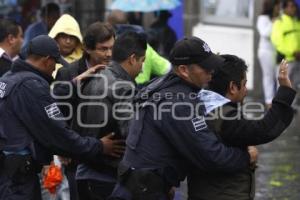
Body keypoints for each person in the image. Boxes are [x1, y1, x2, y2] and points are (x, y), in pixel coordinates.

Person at [109, 37, 255, 200]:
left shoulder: (165, 84)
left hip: (138, 183)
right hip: (143, 189)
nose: (211, 72)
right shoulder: (180, 103)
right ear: (184, 70)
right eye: (206, 68)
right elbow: (211, 155)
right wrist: (246, 157)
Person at [0, 35, 123, 200]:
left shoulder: (8, 79)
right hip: (17, 182)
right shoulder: (31, 86)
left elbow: (36, 108)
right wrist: (99, 146)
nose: (54, 69)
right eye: (55, 64)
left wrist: (72, 85)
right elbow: (59, 135)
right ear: (46, 60)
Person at [187, 56, 296, 200]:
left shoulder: (196, 104)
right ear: (232, 87)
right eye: (244, 84)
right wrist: (285, 91)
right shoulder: (225, 117)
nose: (245, 90)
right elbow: (264, 129)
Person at [75, 31, 147, 200]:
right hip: (106, 176)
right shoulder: (122, 86)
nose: (142, 67)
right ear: (132, 58)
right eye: (142, 61)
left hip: (86, 171)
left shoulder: (95, 76)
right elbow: (131, 132)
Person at [52, 22, 115, 200]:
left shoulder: (117, 72)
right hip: (77, 156)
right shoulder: (68, 74)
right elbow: (58, 112)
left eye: (111, 48)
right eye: (103, 49)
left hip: (110, 156)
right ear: (87, 48)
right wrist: (63, 148)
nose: (109, 54)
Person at [107, 10, 171, 85]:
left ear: (109, 24)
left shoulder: (109, 47)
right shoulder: (145, 47)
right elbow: (167, 68)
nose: (141, 71)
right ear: (128, 22)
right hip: (143, 91)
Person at [257, 0, 280, 108]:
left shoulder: (280, 18)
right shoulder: (263, 19)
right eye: (277, 5)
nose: (279, 8)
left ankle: (279, 101)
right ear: (272, 6)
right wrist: (273, 22)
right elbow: (265, 33)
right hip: (266, 51)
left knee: (279, 76)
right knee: (268, 76)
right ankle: (269, 101)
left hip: (278, 51)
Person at [271, 0, 300, 89]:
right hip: (285, 61)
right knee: (283, 88)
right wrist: (292, 52)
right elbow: (277, 42)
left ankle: (293, 103)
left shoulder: (297, 22)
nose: (294, 9)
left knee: (294, 87)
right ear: (285, 8)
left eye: (294, 6)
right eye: (291, 6)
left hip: (297, 60)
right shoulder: (279, 22)